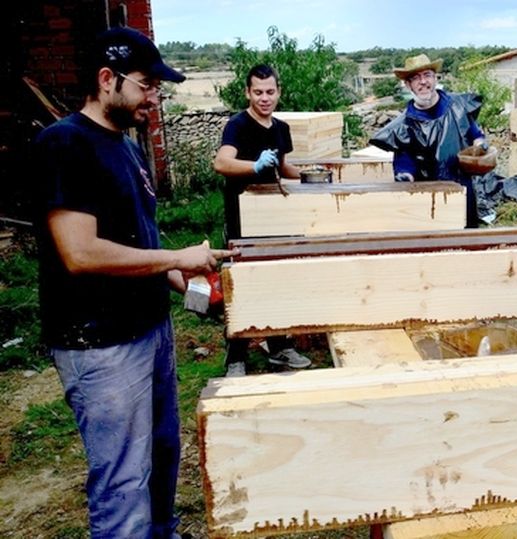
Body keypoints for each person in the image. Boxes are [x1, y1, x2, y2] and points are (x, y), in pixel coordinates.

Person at [33, 27, 235, 538]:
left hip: (149, 328)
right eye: (146, 85)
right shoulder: (65, 144)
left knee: (163, 451)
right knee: (123, 477)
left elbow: (139, 242)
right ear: (108, 79)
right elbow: (79, 253)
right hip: (100, 343)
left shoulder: (126, 148)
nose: (154, 97)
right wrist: (176, 255)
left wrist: (184, 280)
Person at [213, 64, 312, 377]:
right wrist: (254, 166)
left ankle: (279, 348)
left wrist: (312, 179)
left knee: (277, 279)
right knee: (242, 285)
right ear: (247, 92)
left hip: (276, 218)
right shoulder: (237, 125)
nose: (264, 98)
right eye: (258, 92)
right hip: (243, 219)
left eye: (270, 92)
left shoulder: (281, 128)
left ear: (278, 92)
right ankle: (236, 358)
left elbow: (282, 167)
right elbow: (222, 163)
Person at [369, 54, 488, 228]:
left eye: (427, 75)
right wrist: (404, 177)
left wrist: (481, 147)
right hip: (428, 196)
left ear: (435, 78)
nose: (423, 82)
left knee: (466, 241)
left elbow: (475, 135)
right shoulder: (404, 126)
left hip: (462, 189)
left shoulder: (458, 106)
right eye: (415, 78)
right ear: (408, 84)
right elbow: (404, 163)